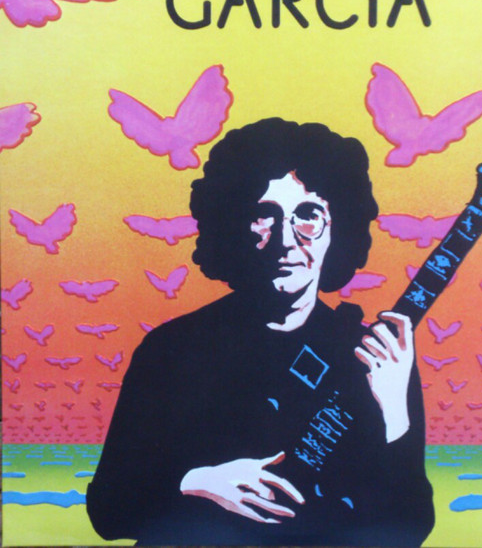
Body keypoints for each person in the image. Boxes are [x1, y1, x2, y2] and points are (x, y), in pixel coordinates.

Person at [86, 118, 434, 545]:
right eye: (263, 216)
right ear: (232, 226)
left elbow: (411, 527)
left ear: (338, 228)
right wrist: (198, 482)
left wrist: (394, 409)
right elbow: (107, 512)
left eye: (308, 216)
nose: (286, 239)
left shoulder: (380, 357)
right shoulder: (171, 349)